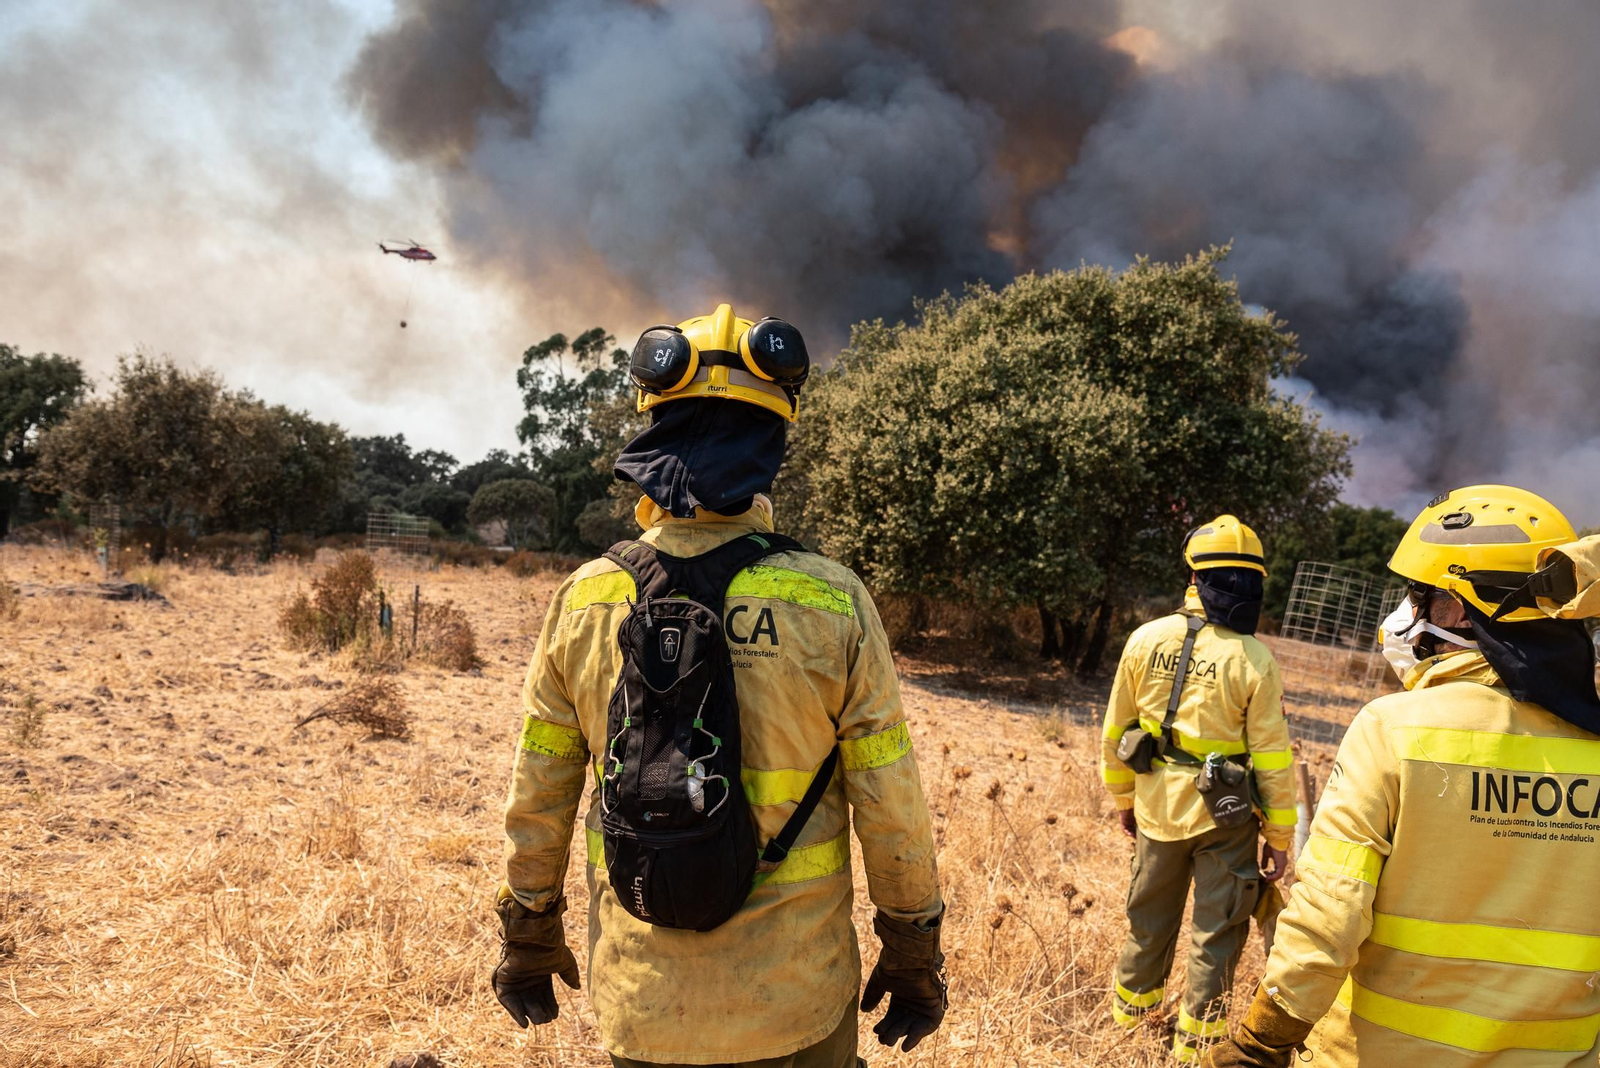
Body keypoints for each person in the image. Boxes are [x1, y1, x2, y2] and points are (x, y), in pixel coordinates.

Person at [491, 304, 946, 1068]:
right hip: (795, 1002)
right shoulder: (832, 602)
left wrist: (528, 932)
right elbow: (891, 803)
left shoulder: (585, 599)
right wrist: (913, 949)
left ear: (654, 426)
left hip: (642, 1007)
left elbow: (539, 790)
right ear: (772, 444)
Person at [1204, 485, 1600, 1067]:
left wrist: (1262, 1041)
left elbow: (1330, 914)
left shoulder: (1392, 729)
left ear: (1458, 609)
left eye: (1419, 595)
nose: (1406, 614)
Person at [1101, 514, 1298, 1062]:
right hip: (1226, 817)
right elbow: (1273, 761)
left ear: (1192, 575)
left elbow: (1115, 732)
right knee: (1217, 934)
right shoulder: (1254, 659)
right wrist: (1279, 837)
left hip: (1156, 806)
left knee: (1147, 923)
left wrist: (1123, 799)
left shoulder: (1144, 639)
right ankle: (1196, 1049)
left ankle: (1128, 1031)